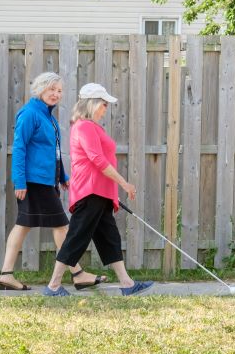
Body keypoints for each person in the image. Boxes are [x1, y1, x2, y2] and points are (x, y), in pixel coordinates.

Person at [43, 83, 153, 296]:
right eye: (103, 104)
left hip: (100, 193)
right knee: (76, 237)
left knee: (110, 237)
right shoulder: (83, 126)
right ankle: (53, 286)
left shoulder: (93, 127)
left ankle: (127, 284)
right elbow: (97, 159)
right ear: (92, 104)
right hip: (89, 191)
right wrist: (124, 183)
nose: (105, 109)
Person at [0, 72, 106, 291]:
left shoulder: (48, 116)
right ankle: (77, 273)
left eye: (59, 91)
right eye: (51, 89)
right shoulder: (29, 114)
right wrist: (19, 181)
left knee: (25, 225)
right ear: (40, 89)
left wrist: (62, 175)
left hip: (47, 181)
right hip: (34, 182)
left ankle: (6, 275)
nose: (56, 94)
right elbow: (19, 148)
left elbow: (53, 151)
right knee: (61, 226)